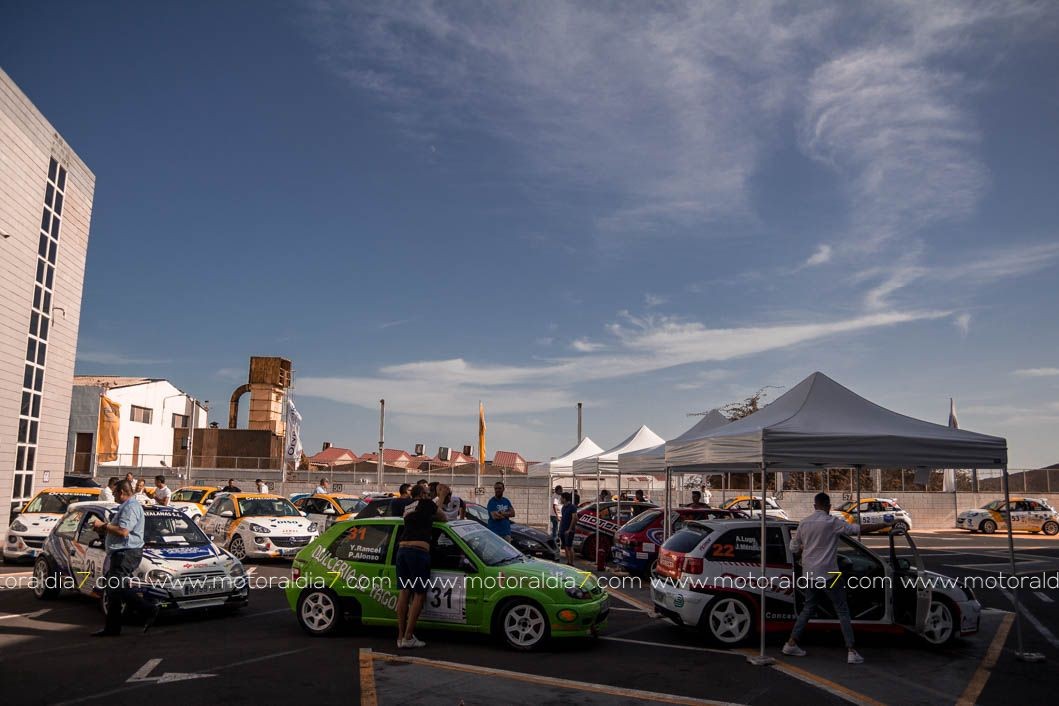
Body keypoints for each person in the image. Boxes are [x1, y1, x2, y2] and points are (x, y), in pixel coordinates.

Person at [783, 492, 863, 664]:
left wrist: (804, 548)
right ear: (829, 506)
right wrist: (886, 523)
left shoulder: (804, 523)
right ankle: (851, 650)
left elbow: (793, 548)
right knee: (842, 609)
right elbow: (855, 529)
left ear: (814, 506)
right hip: (830, 573)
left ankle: (791, 643)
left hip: (809, 573)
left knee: (808, 608)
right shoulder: (832, 522)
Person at [89, 480, 159, 636]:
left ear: (121, 492)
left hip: (126, 553)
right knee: (113, 590)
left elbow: (123, 531)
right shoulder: (127, 506)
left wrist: (103, 525)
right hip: (121, 553)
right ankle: (112, 628)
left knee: (115, 588)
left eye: (114, 493)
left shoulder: (130, 507)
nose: (113, 495)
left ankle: (148, 609)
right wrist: (103, 529)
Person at [395, 484, 447, 649]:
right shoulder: (426, 504)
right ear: (422, 495)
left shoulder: (408, 507)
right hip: (417, 552)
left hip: (402, 551)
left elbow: (425, 518)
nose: (429, 495)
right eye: (427, 493)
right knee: (419, 594)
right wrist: (442, 496)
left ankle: (400, 637)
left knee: (404, 592)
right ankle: (409, 637)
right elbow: (442, 517)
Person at [558, 492, 577, 566]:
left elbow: (574, 518)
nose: (560, 499)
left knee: (569, 546)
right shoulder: (563, 507)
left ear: (565, 499)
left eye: (561, 498)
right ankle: (568, 562)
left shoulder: (572, 507)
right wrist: (560, 529)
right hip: (563, 529)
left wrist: (569, 529)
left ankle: (572, 563)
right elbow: (562, 518)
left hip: (569, 530)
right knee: (565, 546)